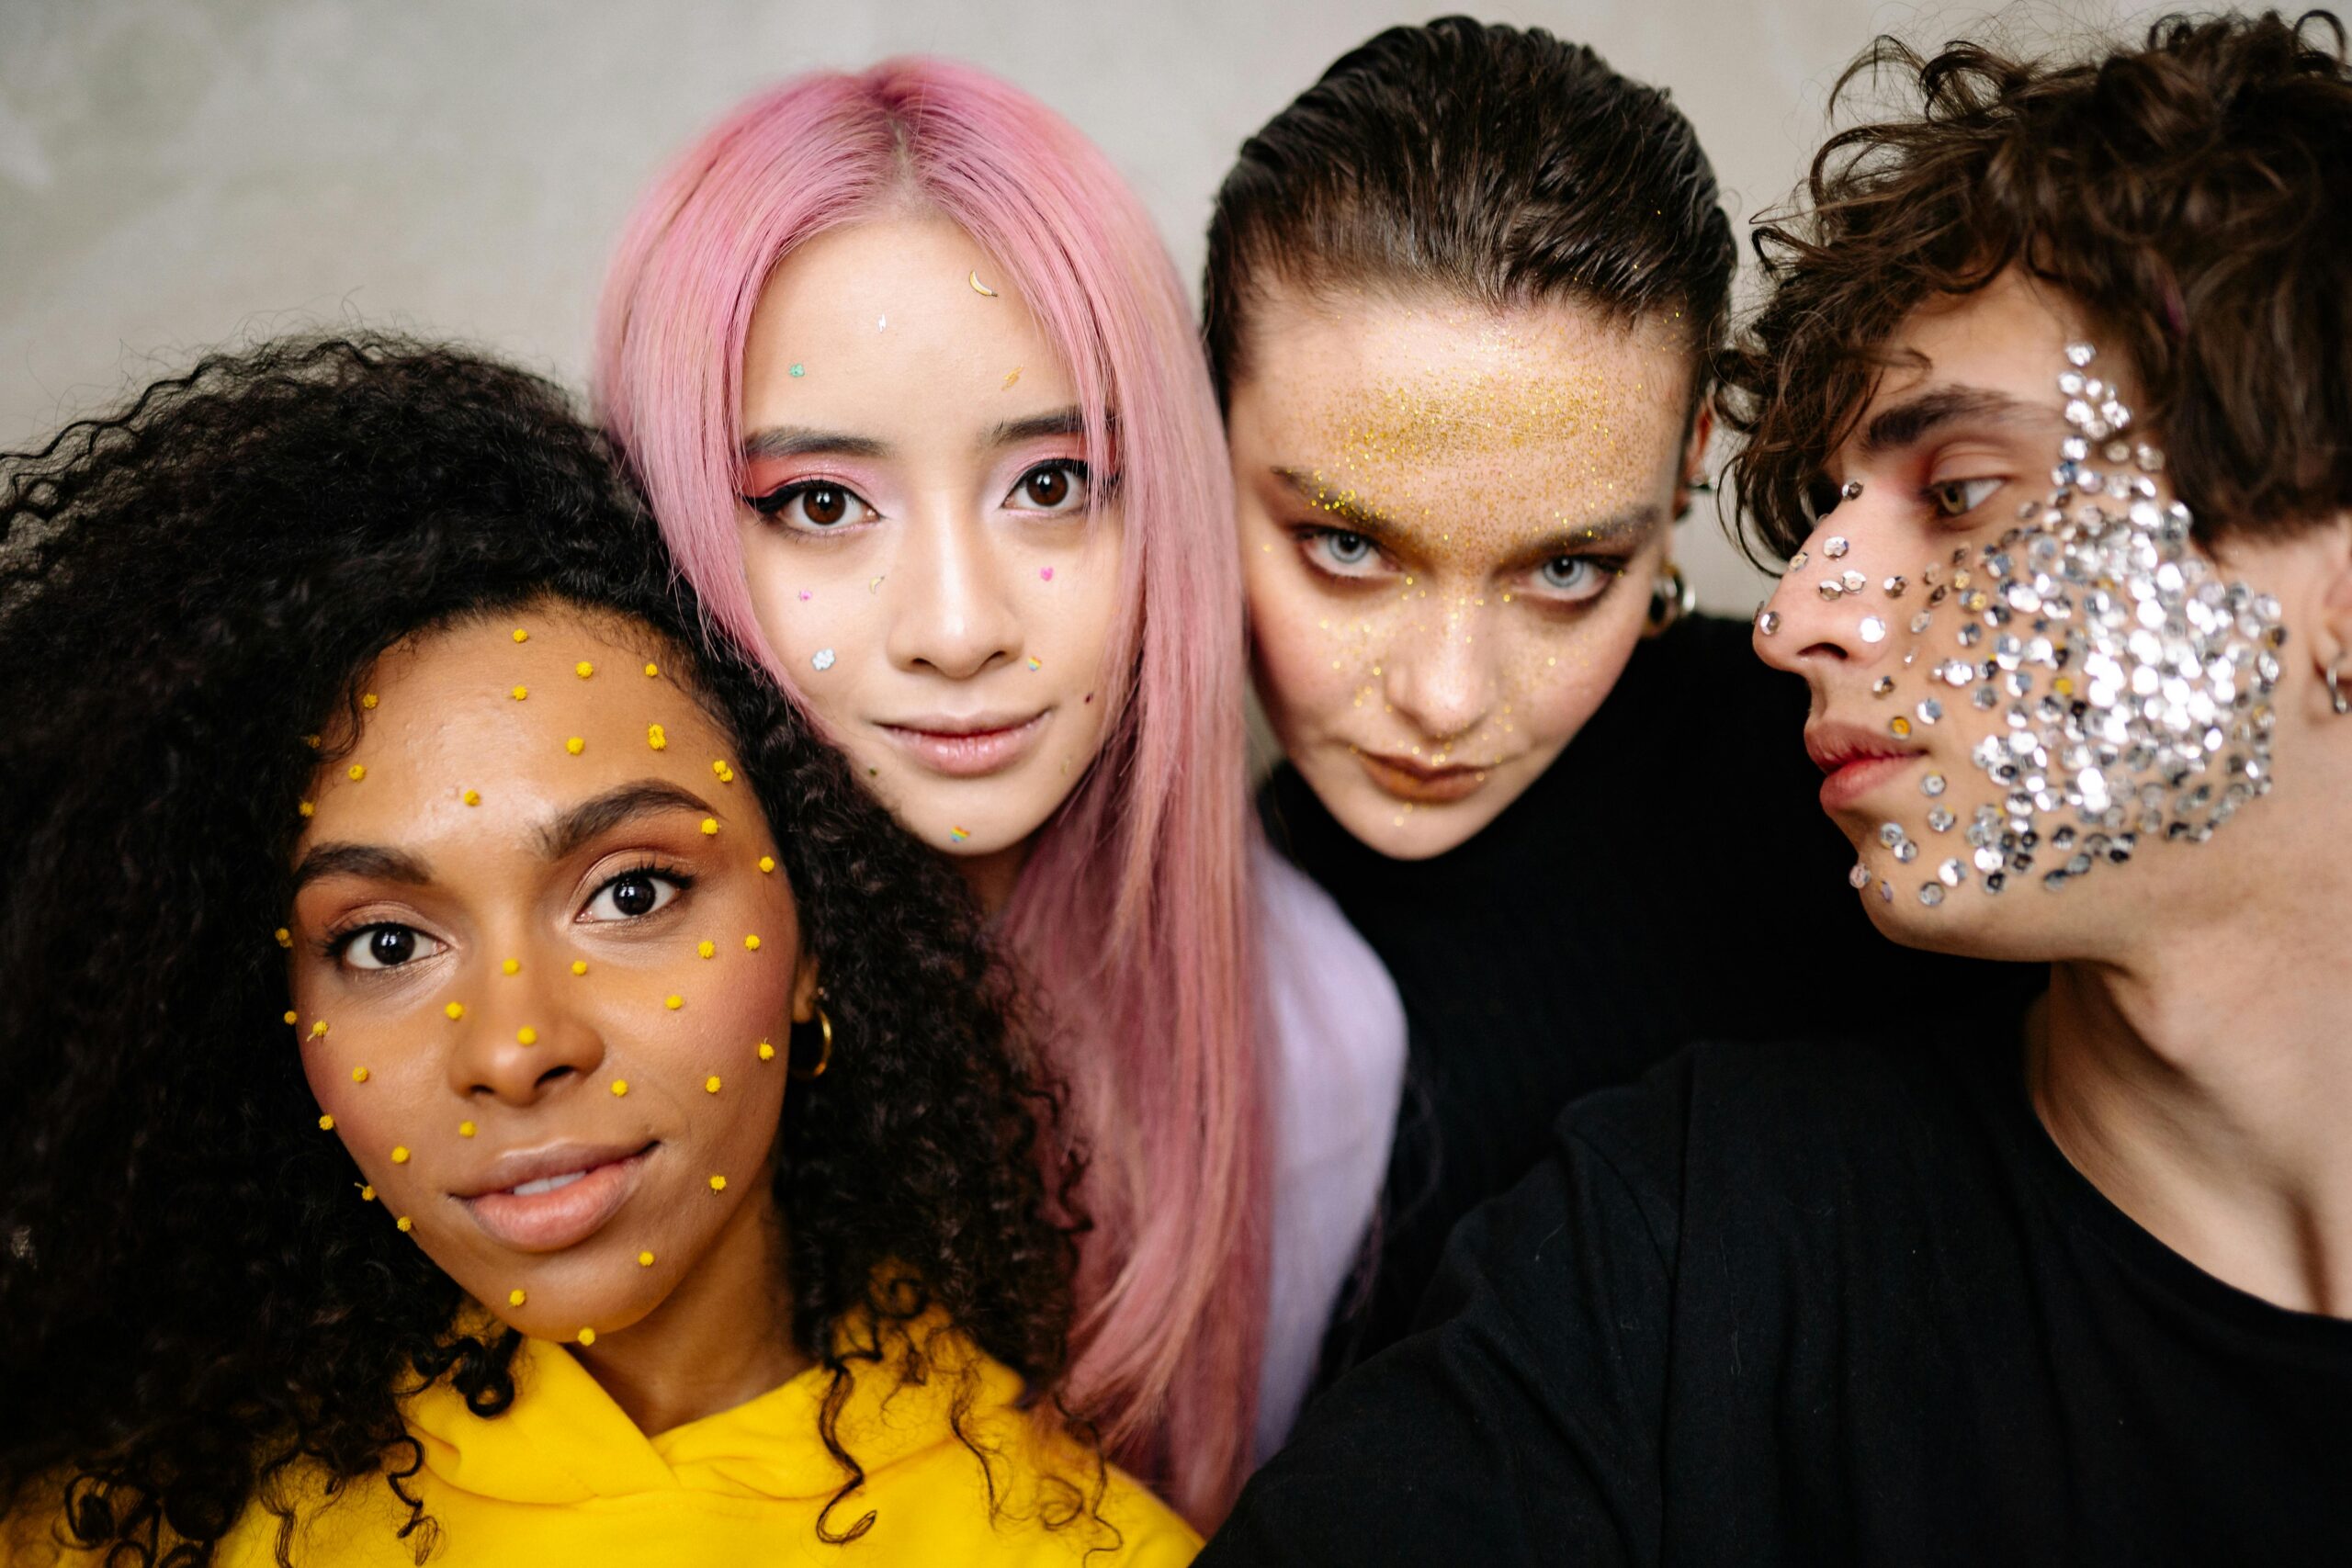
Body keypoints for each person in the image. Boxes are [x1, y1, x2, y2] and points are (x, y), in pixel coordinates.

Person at [1196, 13, 2352, 1563]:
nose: (1797, 611)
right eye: (1346, 544)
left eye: (1960, 494)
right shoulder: (1683, 1229)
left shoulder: (1833, 839)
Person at [0, 336, 1197, 1566]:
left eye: (631, 893)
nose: (516, 1048)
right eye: (386, 942)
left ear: (812, 929)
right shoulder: (103, 1529)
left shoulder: (1092, 1553)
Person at [594, 60, 1406, 1504]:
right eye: (821, 504)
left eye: (1051, 483)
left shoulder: (1313, 1043)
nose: (961, 627)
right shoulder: (543, 1032)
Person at [1203, 17, 2027, 1384]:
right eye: (1347, 547)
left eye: (1567, 569)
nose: (1445, 699)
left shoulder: (1880, 816)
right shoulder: (1150, 923)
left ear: (1685, 462)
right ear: (1203, 433)